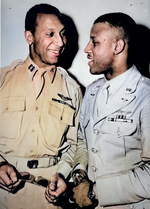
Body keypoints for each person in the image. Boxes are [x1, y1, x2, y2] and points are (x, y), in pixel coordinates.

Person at [0, 3, 87, 209]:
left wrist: (64, 175)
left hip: (50, 197)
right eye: (50, 34)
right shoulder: (2, 79)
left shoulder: (73, 88)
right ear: (29, 37)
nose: (60, 42)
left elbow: (77, 144)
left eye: (62, 34)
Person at [74, 12, 150, 209]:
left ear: (118, 46)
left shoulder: (146, 96)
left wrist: (95, 192)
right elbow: (83, 140)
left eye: (94, 42)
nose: (86, 49)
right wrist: (80, 174)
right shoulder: (91, 92)